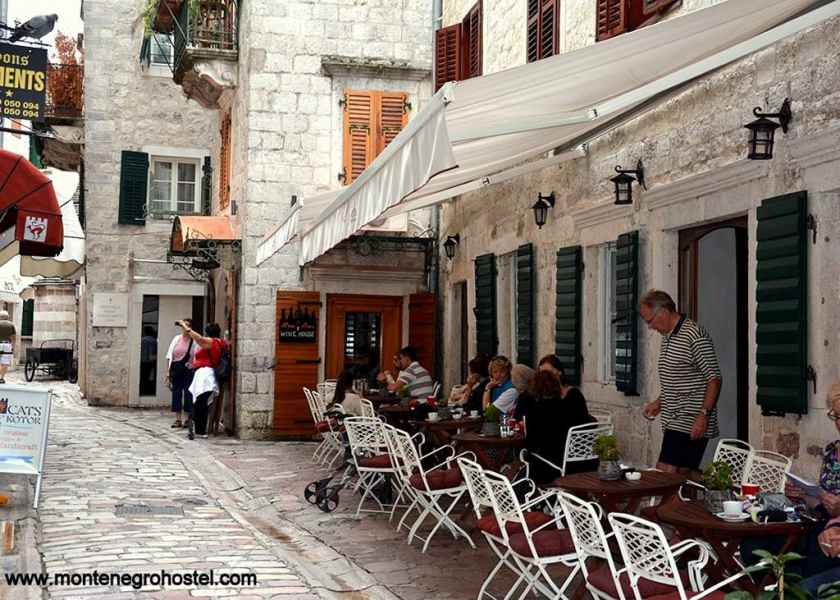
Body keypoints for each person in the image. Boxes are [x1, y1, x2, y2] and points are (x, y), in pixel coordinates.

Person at [743, 381, 840, 588]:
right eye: (836, 416)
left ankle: (788, 589)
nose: (838, 423)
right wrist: (804, 494)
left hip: (831, 532)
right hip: (820, 523)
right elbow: (822, 502)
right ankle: (775, 588)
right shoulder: (833, 451)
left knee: (809, 562)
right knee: (753, 545)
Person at [640, 290, 722, 476]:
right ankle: (683, 505)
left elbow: (714, 379)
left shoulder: (694, 335)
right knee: (681, 477)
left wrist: (703, 416)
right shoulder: (668, 336)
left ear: (663, 312)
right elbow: (679, 379)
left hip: (689, 418)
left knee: (664, 475)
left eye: (650, 320)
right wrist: (659, 403)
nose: (650, 327)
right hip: (673, 418)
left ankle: (659, 506)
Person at [521, 370, 596, 483]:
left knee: (525, 459)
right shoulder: (568, 406)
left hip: (552, 465)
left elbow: (531, 443)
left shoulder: (535, 411)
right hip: (580, 462)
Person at [178, 320, 224, 440]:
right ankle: (198, 428)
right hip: (203, 374)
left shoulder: (211, 342)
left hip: (205, 374)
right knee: (199, 402)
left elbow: (198, 339)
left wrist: (184, 325)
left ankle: (200, 429)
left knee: (201, 403)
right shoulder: (218, 342)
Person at [165, 318, 197, 429]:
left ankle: (188, 419)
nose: (184, 328)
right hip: (176, 370)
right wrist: (168, 373)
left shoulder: (194, 341)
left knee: (188, 394)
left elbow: (196, 356)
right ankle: (178, 419)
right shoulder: (176, 339)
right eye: (183, 325)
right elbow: (169, 356)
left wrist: (192, 366)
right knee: (176, 394)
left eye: (187, 325)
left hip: (188, 371)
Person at [139, 325, 158, 396]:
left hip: (142, 361)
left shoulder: (141, 340)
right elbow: (155, 351)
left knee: (142, 376)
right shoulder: (154, 340)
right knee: (148, 376)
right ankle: (147, 390)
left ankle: (142, 390)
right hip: (151, 361)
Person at [0, 310, 15, 384]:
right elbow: (13, 337)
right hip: (7, 345)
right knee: (5, 363)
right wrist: (13, 346)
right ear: (7, 317)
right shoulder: (11, 325)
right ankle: (1, 378)